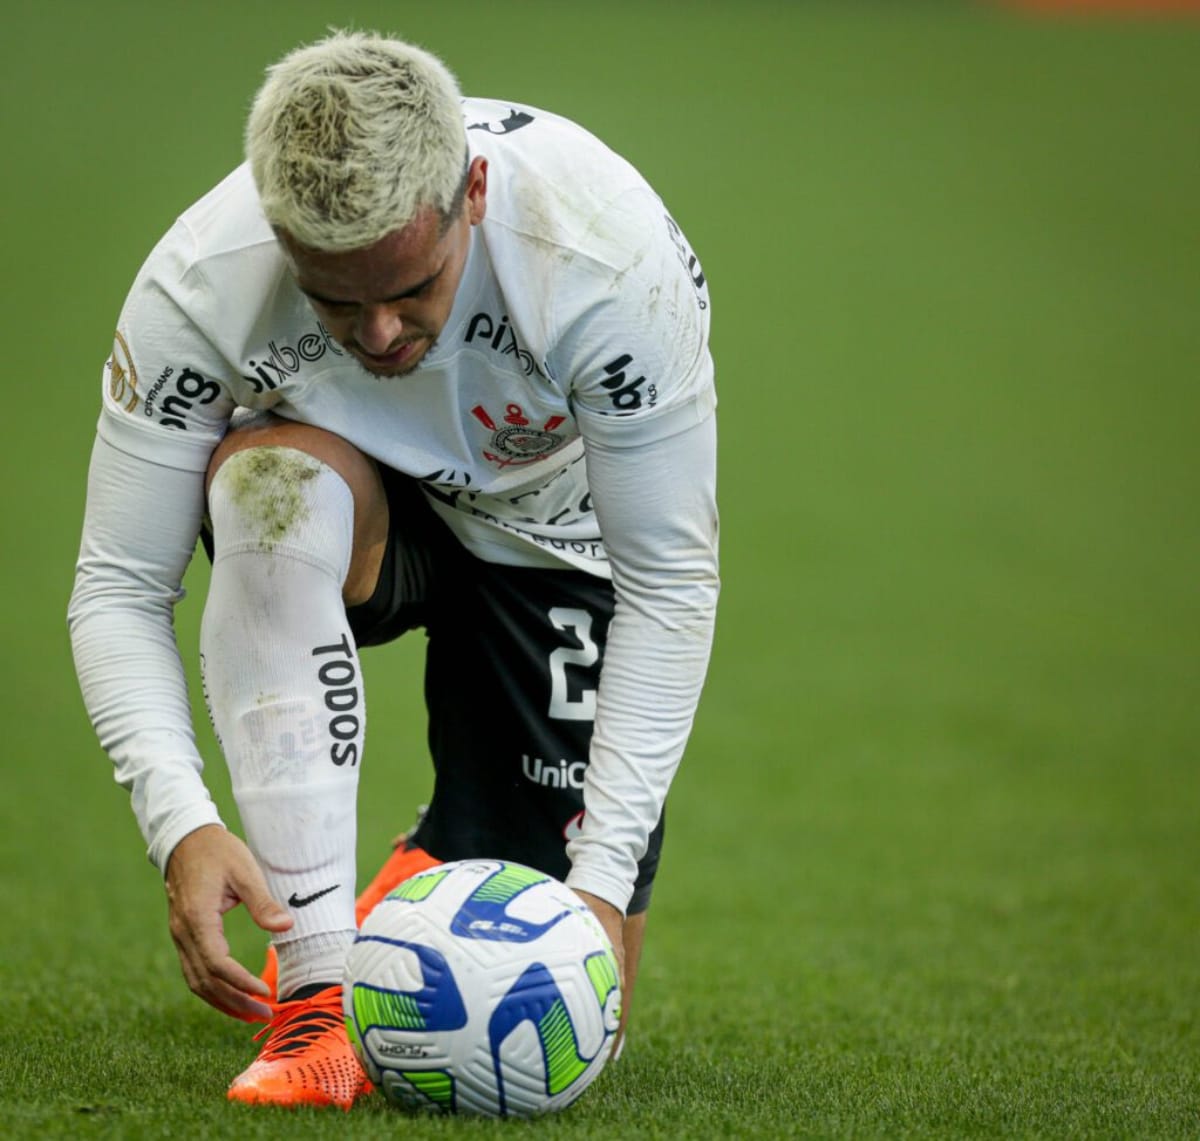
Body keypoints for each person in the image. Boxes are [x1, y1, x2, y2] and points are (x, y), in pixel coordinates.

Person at [68, 30, 718, 1110]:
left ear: (471, 191)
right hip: (355, 504)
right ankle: (319, 991)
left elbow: (670, 580)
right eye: (333, 300)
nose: (377, 331)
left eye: (412, 289)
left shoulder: (604, 257)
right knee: (263, 487)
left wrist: (600, 885)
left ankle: (426, 872)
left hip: (558, 535)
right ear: (279, 236)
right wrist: (180, 820)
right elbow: (119, 585)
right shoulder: (200, 282)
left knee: (570, 1021)